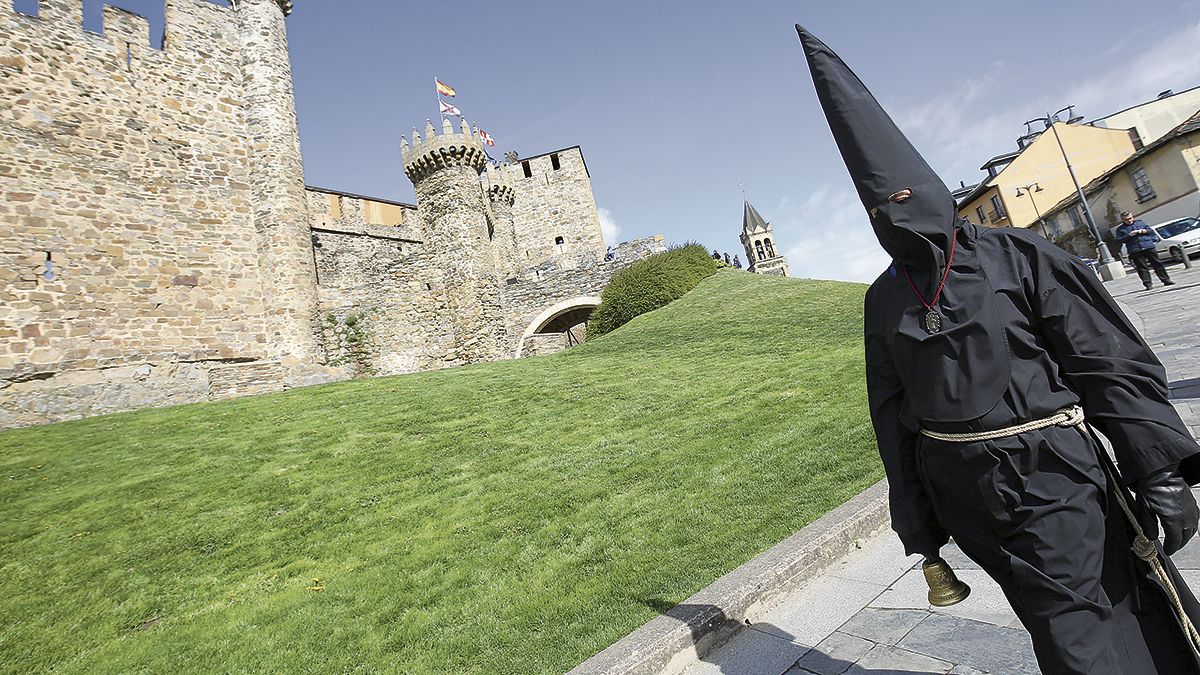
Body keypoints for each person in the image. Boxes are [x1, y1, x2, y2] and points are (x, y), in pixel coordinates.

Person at [798, 25, 1200, 674]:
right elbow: (891, 410)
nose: (894, 212)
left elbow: (1108, 361)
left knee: (1072, 633)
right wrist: (919, 519)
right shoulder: (884, 301)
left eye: (901, 194)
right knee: (1086, 607)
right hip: (969, 497)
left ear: (929, 186)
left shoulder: (1017, 257)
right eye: (879, 206)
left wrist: (1159, 469)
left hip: (1051, 476)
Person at [1116, 211, 1174, 289]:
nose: (1129, 221)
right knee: (1142, 267)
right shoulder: (1120, 229)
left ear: (1133, 217)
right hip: (1135, 249)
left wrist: (1144, 231)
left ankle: (1166, 280)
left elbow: (1150, 231)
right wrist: (1129, 235)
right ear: (1122, 220)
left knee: (1157, 263)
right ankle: (1148, 284)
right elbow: (1119, 240)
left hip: (1148, 246)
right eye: (1126, 220)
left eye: (1130, 218)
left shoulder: (1140, 223)